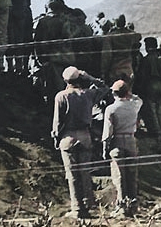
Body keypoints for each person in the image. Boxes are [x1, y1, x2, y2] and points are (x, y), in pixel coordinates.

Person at [52, 66, 109, 220]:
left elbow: (57, 123)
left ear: (65, 80)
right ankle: (87, 205)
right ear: (79, 79)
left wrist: (56, 138)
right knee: (84, 173)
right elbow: (104, 87)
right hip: (85, 136)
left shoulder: (61, 96)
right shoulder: (88, 94)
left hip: (68, 137)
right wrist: (89, 77)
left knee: (72, 175)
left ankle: (76, 208)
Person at [102, 78, 143, 217]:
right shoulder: (134, 106)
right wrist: (130, 94)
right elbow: (139, 100)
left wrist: (104, 147)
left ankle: (121, 207)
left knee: (119, 176)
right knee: (132, 174)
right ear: (127, 92)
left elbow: (107, 131)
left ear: (114, 93)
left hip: (117, 142)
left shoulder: (111, 109)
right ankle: (133, 205)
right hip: (131, 140)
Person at [6, 0, 43, 74]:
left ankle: (11, 67)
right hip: (25, 12)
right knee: (26, 39)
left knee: (11, 39)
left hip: (11, 12)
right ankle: (24, 67)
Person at [134, 36, 161, 141]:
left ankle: (156, 133)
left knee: (152, 110)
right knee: (159, 110)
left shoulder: (146, 60)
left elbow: (142, 75)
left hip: (150, 85)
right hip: (160, 85)